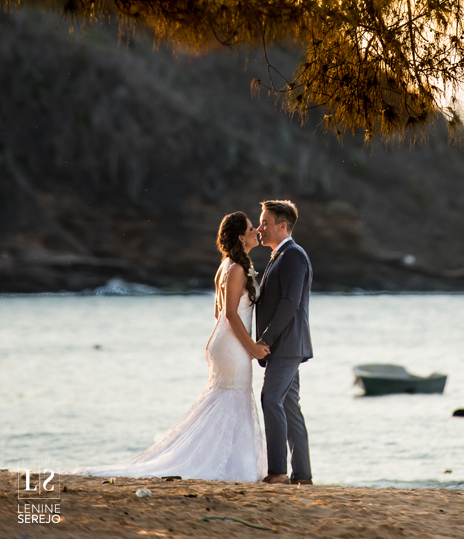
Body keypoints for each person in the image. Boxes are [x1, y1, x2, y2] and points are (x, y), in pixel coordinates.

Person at [73, 212, 269, 481]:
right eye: (251, 228)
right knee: (233, 397)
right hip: (232, 344)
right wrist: (252, 347)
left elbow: (217, 313)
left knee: (225, 400)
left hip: (224, 342)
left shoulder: (226, 265)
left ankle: (226, 461)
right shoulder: (235, 269)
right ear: (240, 237)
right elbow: (231, 315)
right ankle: (230, 466)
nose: (256, 230)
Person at [256, 199, 313, 486]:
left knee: (271, 399)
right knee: (289, 406)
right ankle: (302, 475)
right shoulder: (280, 255)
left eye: (265, 223)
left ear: (282, 226)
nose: (259, 229)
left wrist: (265, 340)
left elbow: (290, 303)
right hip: (287, 345)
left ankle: (278, 472)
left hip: (286, 345)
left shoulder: (292, 255)